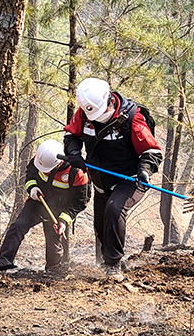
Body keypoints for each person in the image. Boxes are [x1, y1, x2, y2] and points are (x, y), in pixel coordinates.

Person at [64, 77, 162, 281]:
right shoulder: (84, 114)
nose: (97, 119)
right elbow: (71, 136)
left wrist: (145, 170)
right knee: (101, 225)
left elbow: (151, 151)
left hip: (131, 179)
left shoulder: (133, 119)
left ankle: (113, 266)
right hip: (101, 182)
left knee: (115, 209)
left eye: (101, 114)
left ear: (109, 101)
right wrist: (74, 153)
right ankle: (104, 262)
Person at [0, 140, 89, 272]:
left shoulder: (77, 172)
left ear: (59, 163)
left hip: (58, 211)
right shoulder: (41, 159)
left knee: (53, 243)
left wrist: (63, 221)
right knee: (18, 226)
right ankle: (3, 261)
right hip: (37, 202)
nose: (46, 172)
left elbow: (80, 202)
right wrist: (32, 188)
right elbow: (30, 174)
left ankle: (52, 269)